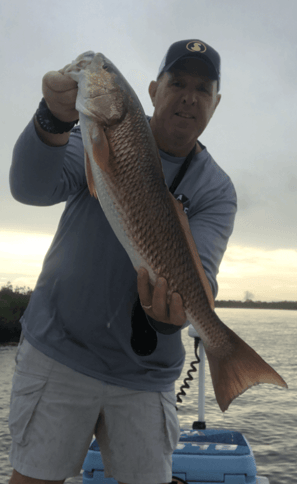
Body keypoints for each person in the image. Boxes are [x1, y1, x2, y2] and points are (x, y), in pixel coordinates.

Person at [8, 39, 237, 484]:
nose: (189, 96)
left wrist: (173, 319)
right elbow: (31, 188)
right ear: (152, 90)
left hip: (147, 376)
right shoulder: (95, 132)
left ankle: (229, 352)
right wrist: (52, 118)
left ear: (216, 103)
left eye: (203, 89)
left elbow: (201, 274)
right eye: (178, 83)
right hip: (60, 350)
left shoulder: (216, 190)